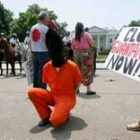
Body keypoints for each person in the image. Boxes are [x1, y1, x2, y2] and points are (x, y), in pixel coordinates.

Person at [28, 27, 82, 127]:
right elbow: (48, 83)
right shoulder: (47, 67)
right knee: (32, 92)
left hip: (67, 97)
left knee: (56, 120)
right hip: (53, 95)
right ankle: (46, 115)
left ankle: (64, 112)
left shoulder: (72, 66)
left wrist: (71, 94)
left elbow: (78, 83)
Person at [71, 22, 96, 95]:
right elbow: (92, 43)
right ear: (82, 27)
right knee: (87, 70)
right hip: (86, 53)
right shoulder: (86, 34)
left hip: (76, 54)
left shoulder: (73, 36)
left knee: (77, 71)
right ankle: (88, 89)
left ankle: (77, 89)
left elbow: (72, 47)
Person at [30, 12, 50, 89]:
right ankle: (41, 90)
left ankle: (35, 88)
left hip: (34, 52)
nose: (48, 19)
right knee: (42, 72)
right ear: (44, 18)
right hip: (43, 52)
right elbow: (49, 42)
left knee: (36, 71)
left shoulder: (32, 27)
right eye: (47, 18)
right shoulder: (46, 28)